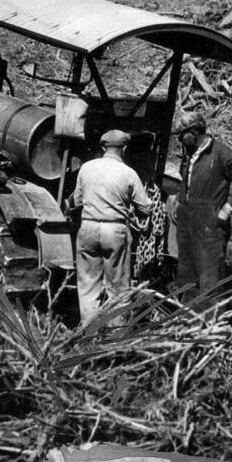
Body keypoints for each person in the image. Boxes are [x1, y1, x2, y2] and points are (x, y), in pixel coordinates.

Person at [69, 129, 153, 324]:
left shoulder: (86, 168)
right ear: (124, 148)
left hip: (88, 227)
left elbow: (77, 200)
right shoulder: (129, 173)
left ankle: (89, 332)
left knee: (88, 284)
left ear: (102, 147)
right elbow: (146, 208)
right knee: (117, 286)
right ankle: (115, 335)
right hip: (115, 230)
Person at [174, 108, 232, 302]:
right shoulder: (189, 153)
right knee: (187, 275)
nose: (179, 140)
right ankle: (186, 323)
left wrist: (226, 210)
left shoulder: (221, 154)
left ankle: (211, 325)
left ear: (194, 132)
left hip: (210, 227)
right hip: (188, 223)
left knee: (209, 278)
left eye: (182, 136)